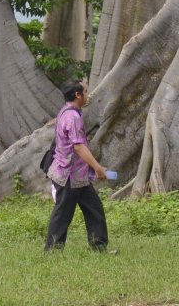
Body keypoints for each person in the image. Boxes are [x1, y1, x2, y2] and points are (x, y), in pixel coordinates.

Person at [44, 80, 109, 252]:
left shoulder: (68, 112)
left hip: (79, 176)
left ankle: (98, 246)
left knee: (94, 209)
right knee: (62, 214)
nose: (88, 95)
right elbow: (79, 147)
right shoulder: (72, 117)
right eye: (85, 91)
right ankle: (52, 251)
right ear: (78, 95)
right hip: (68, 176)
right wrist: (98, 168)